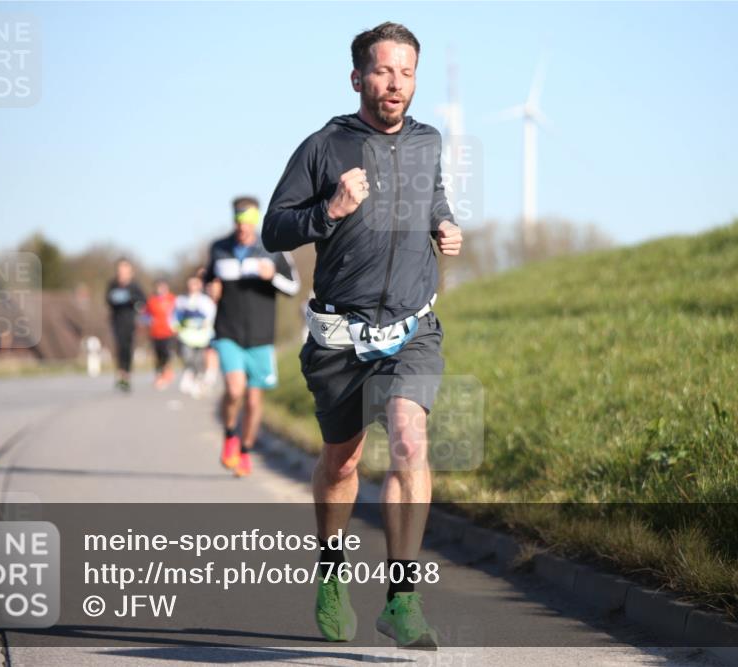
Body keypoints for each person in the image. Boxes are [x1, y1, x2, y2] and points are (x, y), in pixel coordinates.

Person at [262, 22, 462, 650]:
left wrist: (445, 225)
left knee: (409, 439)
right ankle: (330, 571)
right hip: (340, 340)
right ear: (357, 79)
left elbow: (431, 198)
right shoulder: (324, 147)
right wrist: (331, 212)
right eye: (382, 71)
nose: (395, 83)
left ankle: (402, 598)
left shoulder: (430, 141)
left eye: (406, 71)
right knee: (342, 461)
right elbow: (273, 230)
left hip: (411, 329)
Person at [206, 196, 300, 477]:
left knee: (254, 401)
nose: (243, 227)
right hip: (228, 332)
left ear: (256, 221)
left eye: (248, 221)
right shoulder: (219, 249)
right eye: (238, 220)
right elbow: (207, 280)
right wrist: (210, 290)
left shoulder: (272, 248)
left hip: (261, 336)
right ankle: (229, 435)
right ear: (233, 219)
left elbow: (294, 287)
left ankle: (245, 451)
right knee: (234, 390)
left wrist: (271, 276)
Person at [105, 258, 146, 392]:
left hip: (130, 321)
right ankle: (120, 373)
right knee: (119, 346)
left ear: (130, 272)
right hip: (116, 320)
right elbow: (108, 300)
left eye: (125, 270)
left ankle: (127, 374)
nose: (122, 273)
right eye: (120, 270)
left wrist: (133, 302)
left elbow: (142, 301)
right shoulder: (113, 285)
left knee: (127, 347)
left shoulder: (135, 286)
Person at [174, 275, 217, 398]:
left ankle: (198, 379)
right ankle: (189, 373)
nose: (192, 287)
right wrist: (176, 327)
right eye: (190, 284)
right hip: (186, 336)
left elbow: (210, 317)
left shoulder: (206, 302)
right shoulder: (181, 300)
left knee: (199, 360)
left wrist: (206, 326)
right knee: (187, 356)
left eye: (195, 284)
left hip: (201, 337)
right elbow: (175, 316)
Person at [144, 279, 177, 389]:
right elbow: (145, 315)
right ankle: (159, 375)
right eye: (159, 287)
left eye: (163, 287)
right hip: (155, 332)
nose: (161, 289)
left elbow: (178, 313)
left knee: (166, 353)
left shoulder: (173, 299)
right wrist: (148, 321)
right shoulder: (151, 301)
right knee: (158, 355)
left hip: (168, 332)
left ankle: (166, 373)